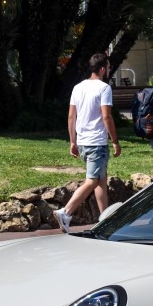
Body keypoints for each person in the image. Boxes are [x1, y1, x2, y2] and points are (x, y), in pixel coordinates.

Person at [54, 53, 122, 232]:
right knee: (92, 180)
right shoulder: (104, 88)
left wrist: (72, 141)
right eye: (107, 67)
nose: (108, 70)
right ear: (102, 69)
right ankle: (66, 212)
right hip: (97, 143)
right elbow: (107, 116)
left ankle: (105, 220)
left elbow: (71, 116)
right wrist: (115, 141)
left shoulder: (78, 87)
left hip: (83, 142)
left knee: (101, 181)